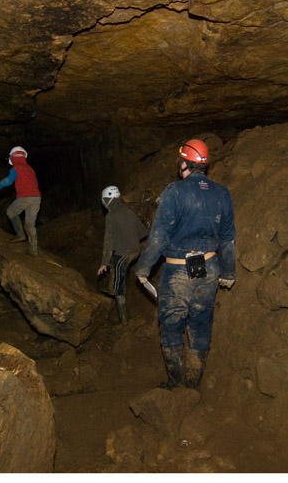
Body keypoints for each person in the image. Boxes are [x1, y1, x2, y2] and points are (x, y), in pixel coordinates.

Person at [134, 139, 235, 391]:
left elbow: (159, 236)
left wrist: (143, 268)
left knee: (171, 325)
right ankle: (192, 384)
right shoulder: (222, 193)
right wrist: (229, 271)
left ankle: (176, 383)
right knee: (200, 322)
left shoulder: (174, 191)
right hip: (209, 268)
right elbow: (227, 238)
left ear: (183, 164)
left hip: (178, 269)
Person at [97, 185, 148, 325]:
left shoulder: (111, 216)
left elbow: (108, 242)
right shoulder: (128, 211)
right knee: (114, 264)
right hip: (136, 252)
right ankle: (111, 285)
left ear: (107, 201)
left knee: (119, 285)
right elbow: (143, 232)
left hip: (124, 255)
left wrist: (103, 263)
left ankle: (124, 320)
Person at [0, 146, 41, 256]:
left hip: (25, 197)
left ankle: (20, 234)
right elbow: (36, 183)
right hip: (36, 197)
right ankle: (34, 250)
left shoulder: (15, 169)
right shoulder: (30, 169)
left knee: (11, 211)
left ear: (12, 158)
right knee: (30, 224)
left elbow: (8, 181)